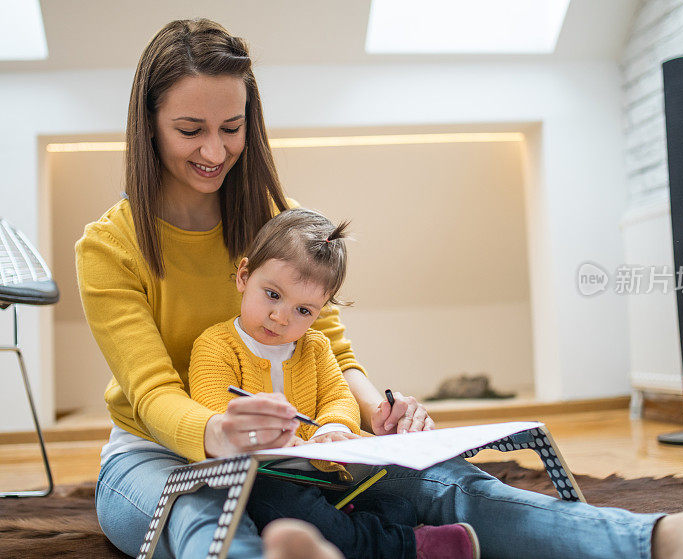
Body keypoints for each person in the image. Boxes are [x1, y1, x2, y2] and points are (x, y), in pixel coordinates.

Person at [76, 17, 683, 559]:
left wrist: (374, 406)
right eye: (190, 129)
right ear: (148, 124)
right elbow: (148, 388)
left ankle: (670, 540)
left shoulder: (267, 218)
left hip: (292, 443)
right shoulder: (109, 246)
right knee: (203, 516)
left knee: (447, 482)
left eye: (231, 127)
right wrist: (213, 431)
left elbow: (326, 339)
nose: (214, 150)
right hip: (154, 452)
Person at [187, 208, 480, 559]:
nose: (280, 317)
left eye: (304, 311)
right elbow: (214, 406)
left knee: (394, 501)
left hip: (322, 474)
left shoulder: (316, 346)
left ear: (320, 311)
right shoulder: (214, 345)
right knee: (281, 504)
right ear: (244, 276)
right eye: (273, 295)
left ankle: (355, 532)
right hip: (255, 478)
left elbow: (337, 396)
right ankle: (408, 546)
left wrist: (333, 426)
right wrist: (267, 435)